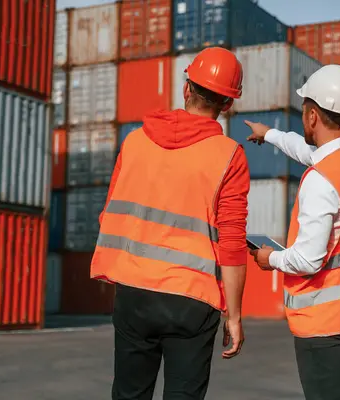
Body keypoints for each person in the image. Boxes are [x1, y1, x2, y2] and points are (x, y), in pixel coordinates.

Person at [90, 47, 250, 400]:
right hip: (191, 301)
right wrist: (234, 316)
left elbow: (108, 216)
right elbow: (233, 244)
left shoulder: (134, 142)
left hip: (133, 294)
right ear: (227, 105)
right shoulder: (229, 156)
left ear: (186, 89)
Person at [245, 64, 340, 400]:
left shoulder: (320, 180)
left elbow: (308, 259)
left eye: (303, 111)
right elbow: (308, 152)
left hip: (324, 320)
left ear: (312, 116)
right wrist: (268, 133)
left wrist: (271, 258)